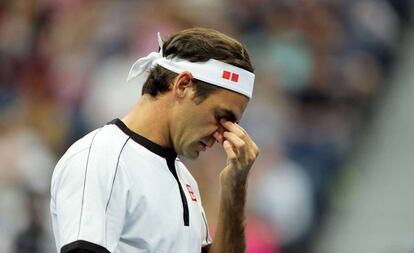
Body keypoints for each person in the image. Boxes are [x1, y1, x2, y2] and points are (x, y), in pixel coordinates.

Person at [50, 27, 259, 253]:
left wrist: (234, 188)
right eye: (221, 117)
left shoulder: (184, 178)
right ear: (183, 85)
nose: (222, 136)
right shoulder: (100, 157)